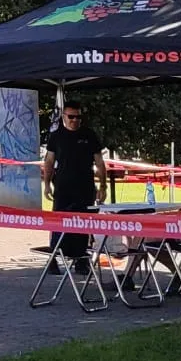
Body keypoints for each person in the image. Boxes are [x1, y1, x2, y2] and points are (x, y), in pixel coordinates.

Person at [42, 101, 108, 273]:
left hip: (85, 188)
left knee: (83, 224)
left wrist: (103, 186)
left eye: (78, 117)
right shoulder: (56, 136)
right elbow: (49, 161)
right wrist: (47, 184)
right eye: (71, 117)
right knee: (58, 222)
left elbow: (100, 162)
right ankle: (54, 257)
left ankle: (81, 259)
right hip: (63, 188)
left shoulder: (89, 135)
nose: (75, 120)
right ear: (64, 117)